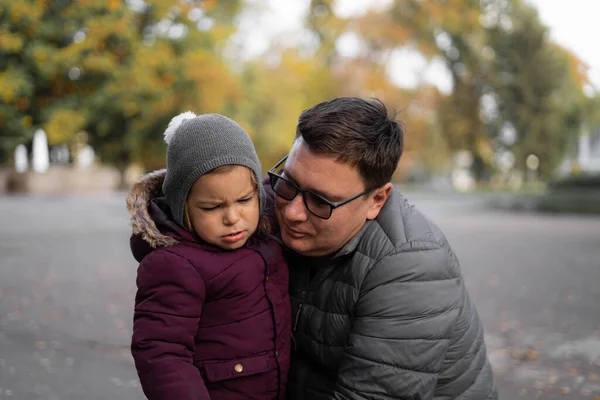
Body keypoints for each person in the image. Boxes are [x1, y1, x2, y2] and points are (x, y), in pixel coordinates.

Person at [265, 97, 498, 399]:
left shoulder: (412, 269)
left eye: (320, 201)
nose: (292, 212)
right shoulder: (266, 205)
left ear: (376, 200)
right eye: (288, 182)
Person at [126, 112, 291, 400]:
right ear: (182, 206)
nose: (232, 217)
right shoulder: (175, 265)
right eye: (212, 207)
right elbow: (162, 352)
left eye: (243, 200)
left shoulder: (262, 229)